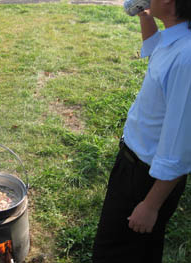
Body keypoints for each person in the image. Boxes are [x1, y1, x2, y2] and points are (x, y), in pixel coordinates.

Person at [93, 0, 191, 262]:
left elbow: (181, 146)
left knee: (118, 252)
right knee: (128, 247)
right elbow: (155, 47)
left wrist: (150, 205)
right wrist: (144, 15)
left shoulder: (187, 58)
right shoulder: (176, 38)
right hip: (132, 165)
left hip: (146, 179)